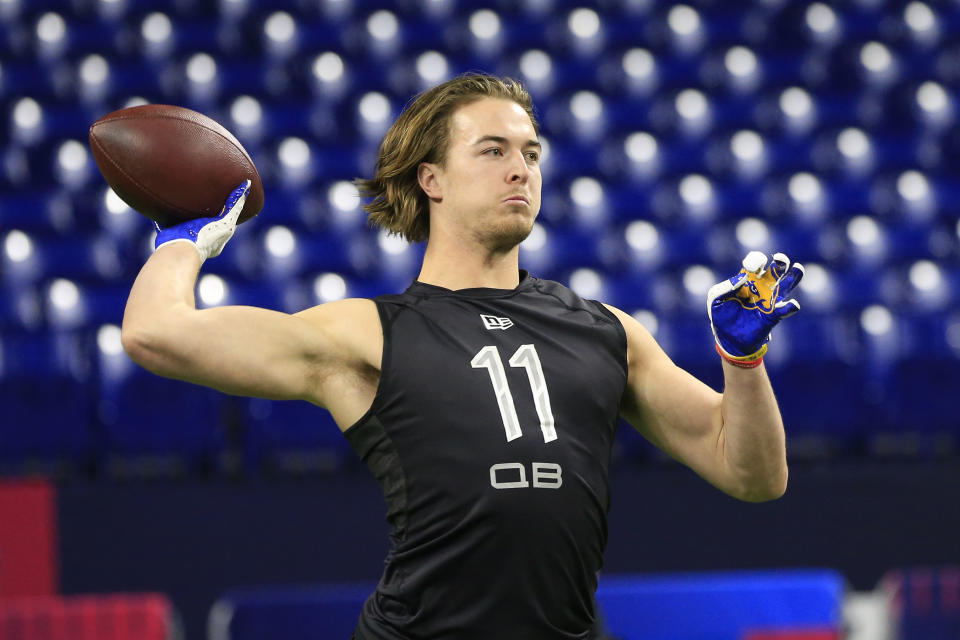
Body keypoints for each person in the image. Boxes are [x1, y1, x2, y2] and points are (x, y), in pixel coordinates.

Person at [121, 73, 803, 639]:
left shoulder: (605, 330)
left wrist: (742, 366)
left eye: (532, 154)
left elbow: (754, 476)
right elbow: (157, 333)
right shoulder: (366, 333)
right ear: (432, 179)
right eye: (493, 150)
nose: (521, 168)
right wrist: (187, 240)